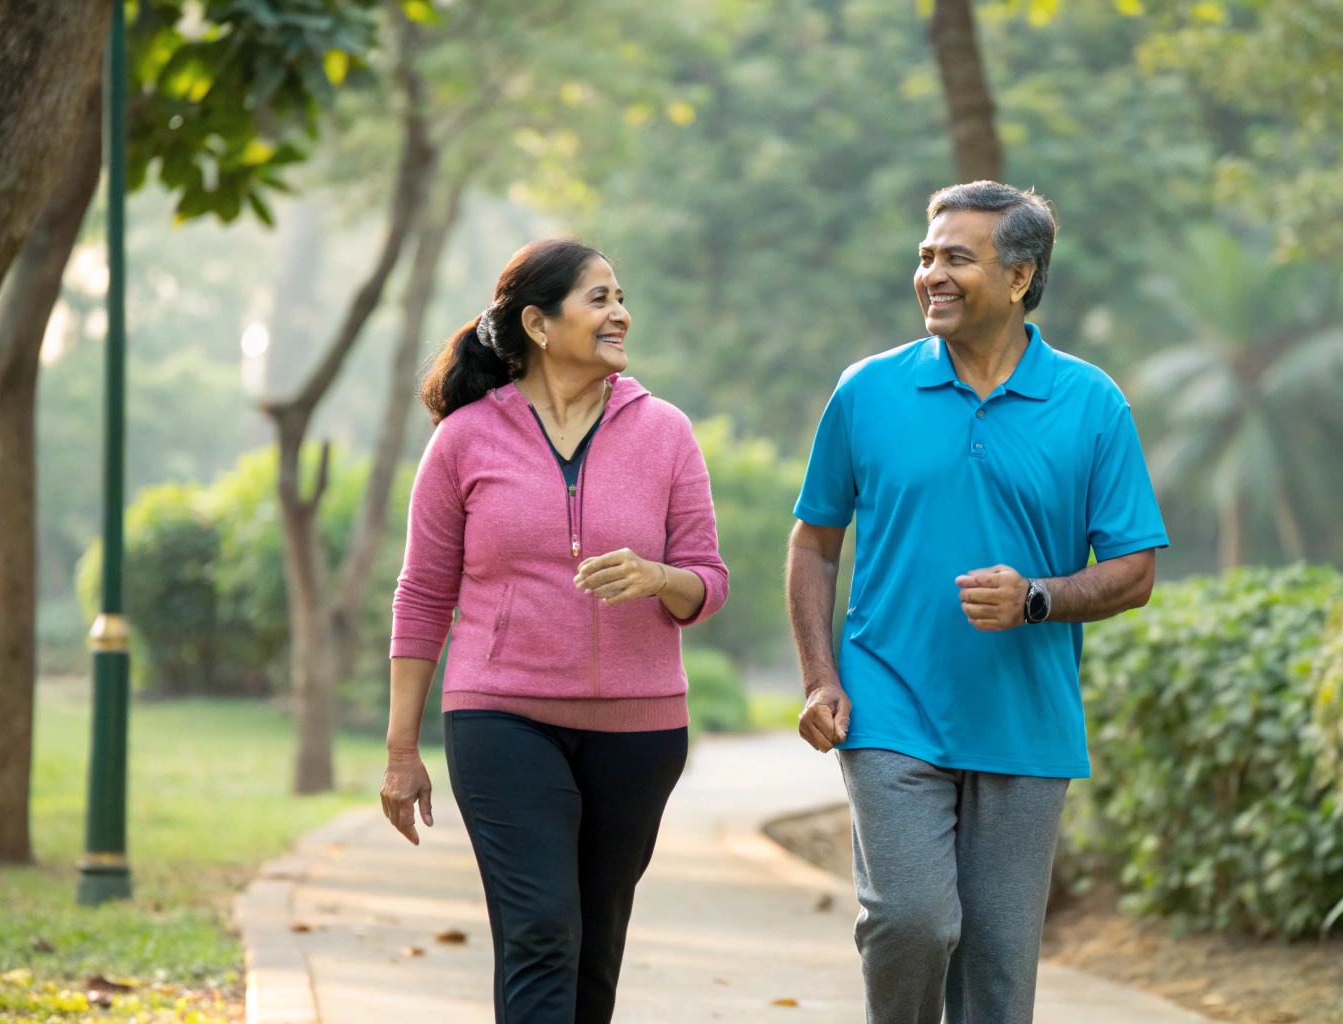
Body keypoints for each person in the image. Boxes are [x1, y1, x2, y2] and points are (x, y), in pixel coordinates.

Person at [786, 182, 1167, 1023]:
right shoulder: (867, 391)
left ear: (1022, 277)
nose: (931, 275)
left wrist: (1036, 598)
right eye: (926, 256)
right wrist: (821, 677)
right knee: (909, 921)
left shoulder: (1092, 404)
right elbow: (815, 542)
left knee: (998, 973)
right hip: (889, 706)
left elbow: (1135, 569)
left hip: (1025, 722)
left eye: (957, 257)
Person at [378, 238, 728, 1024]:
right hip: (501, 715)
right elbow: (424, 594)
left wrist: (660, 577)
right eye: (599, 299)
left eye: (620, 296)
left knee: (595, 943)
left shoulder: (666, 432)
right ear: (538, 323)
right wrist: (403, 750)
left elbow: (708, 581)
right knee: (541, 928)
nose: (621, 314)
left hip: (638, 729)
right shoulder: (465, 439)